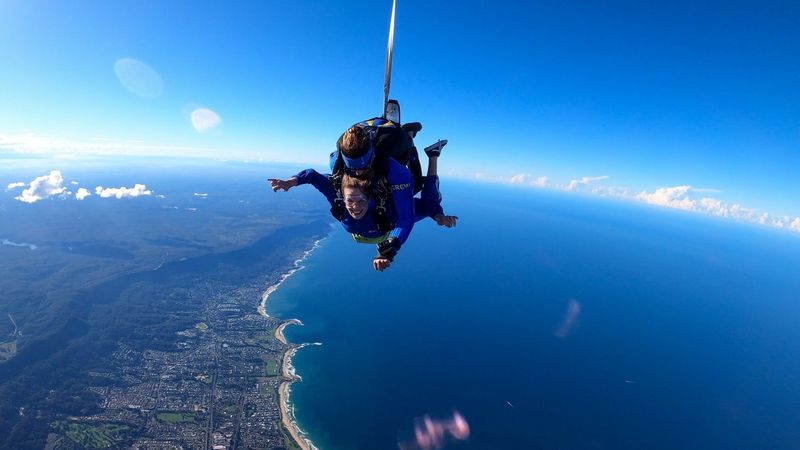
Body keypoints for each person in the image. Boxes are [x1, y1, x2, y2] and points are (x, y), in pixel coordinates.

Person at [269, 137, 456, 271]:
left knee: (430, 199)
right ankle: (412, 141)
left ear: (371, 197)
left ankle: (432, 155)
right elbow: (311, 175)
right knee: (428, 203)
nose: (355, 207)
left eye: (361, 201)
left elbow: (413, 213)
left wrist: (437, 215)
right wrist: (290, 182)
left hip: (391, 203)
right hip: (382, 222)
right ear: (342, 197)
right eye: (350, 200)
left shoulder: (388, 209)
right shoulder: (337, 195)